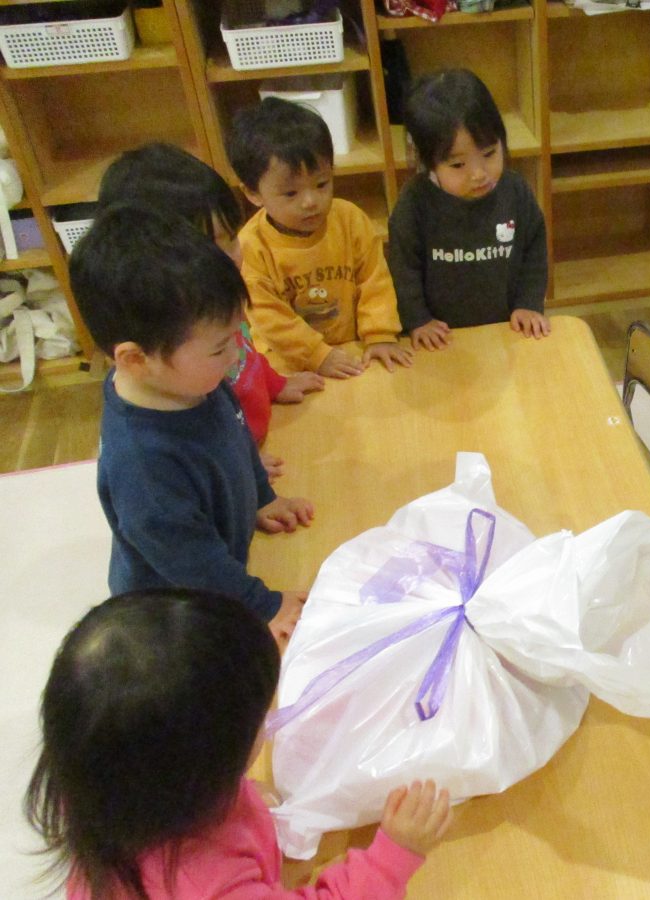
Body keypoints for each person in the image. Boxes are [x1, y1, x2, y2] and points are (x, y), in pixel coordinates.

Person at [25, 588, 453, 899]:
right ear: (202, 771)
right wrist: (393, 855)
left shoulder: (103, 779)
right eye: (261, 717)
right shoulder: (212, 883)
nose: (269, 720)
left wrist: (236, 794)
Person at [70, 205, 312, 642]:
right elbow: (191, 561)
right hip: (175, 609)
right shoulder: (143, 464)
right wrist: (262, 605)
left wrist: (261, 496)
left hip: (222, 566)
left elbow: (237, 434)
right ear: (135, 359)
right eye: (220, 347)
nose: (237, 355)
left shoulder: (188, 380)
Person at [97, 142, 325, 481]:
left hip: (255, 442)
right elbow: (191, 440)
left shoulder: (213, 303)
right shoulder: (172, 351)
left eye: (232, 237)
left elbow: (244, 352)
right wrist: (237, 464)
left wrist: (274, 383)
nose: (232, 257)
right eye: (208, 248)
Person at [230, 97, 411, 378]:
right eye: (291, 193)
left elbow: (374, 280)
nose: (310, 201)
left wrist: (380, 334)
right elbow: (269, 318)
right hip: (288, 364)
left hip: (351, 350)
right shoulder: (251, 246)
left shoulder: (350, 220)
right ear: (253, 193)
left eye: (322, 184)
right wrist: (317, 355)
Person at [386, 68, 549, 350]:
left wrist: (528, 303)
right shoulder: (415, 203)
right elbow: (404, 269)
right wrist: (417, 320)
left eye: (489, 154)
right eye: (458, 165)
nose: (479, 174)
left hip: (506, 332)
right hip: (442, 339)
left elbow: (534, 252)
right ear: (427, 162)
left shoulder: (516, 192)